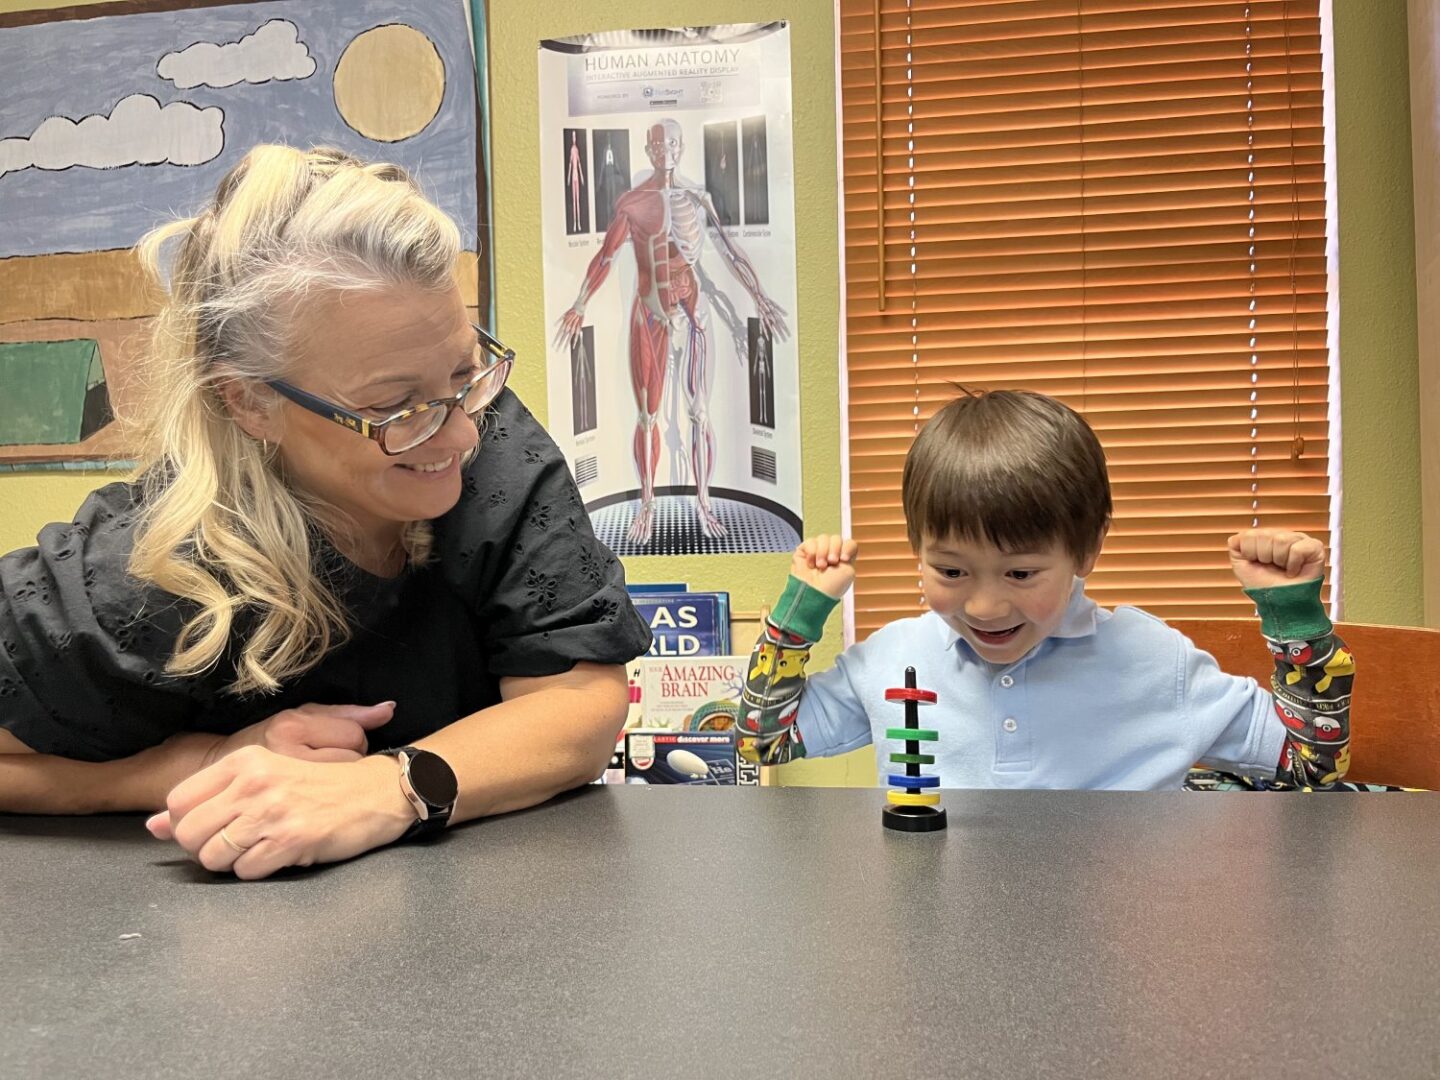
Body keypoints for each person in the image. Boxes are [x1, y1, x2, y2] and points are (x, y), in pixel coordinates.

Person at [0, 145, 651, 877]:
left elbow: (579, 702)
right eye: (392, 407)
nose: (461, 434)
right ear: (249, 402)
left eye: (465, 373)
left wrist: (389, 789)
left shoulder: (488, 437)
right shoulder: (145, 570)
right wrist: (188, 765)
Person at [738, 388, 1352, 790]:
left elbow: (1313, 768)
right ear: (916, 551)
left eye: (1021, 573)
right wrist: (801, 611)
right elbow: (761, 741)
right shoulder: (893, 659)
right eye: (951, 572)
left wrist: (1292, 617)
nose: (984, 605)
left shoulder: (1154, 660)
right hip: (941, 951)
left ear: (1086, 551)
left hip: (1116, 956)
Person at [554, 118, 789, 544]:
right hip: (650, 314)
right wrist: (579, 304)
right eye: (659, 146)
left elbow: (730, 252)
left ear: (681, 149)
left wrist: (759, 297)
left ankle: (703, 503)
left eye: (673, 145)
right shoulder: (633, 203)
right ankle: (647, 504)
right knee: (648, 416)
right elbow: (606, 257)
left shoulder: (698, 200)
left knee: (700, 413)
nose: (666, 153)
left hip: (694, 315)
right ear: (649, 149)